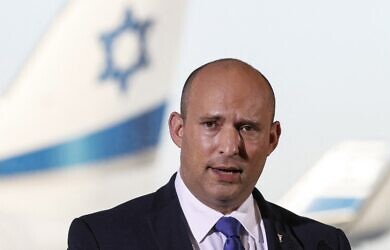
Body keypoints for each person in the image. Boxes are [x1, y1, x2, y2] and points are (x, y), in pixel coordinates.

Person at [68, 58, 351, 250]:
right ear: (178, 130)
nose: (229, 146)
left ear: (272, 139)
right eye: (211, 125)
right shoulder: (104, 240)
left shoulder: (324, 243)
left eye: (248, 128)